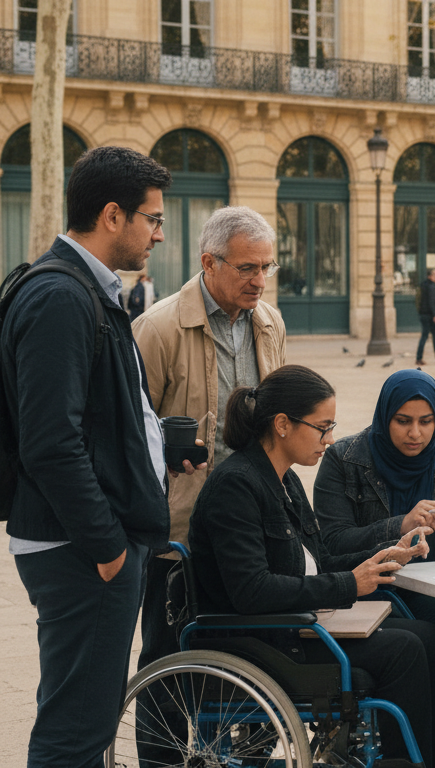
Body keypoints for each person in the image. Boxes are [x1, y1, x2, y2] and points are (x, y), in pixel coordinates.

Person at [188, 365, 435, 768]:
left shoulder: (285, 479)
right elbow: (253, 591)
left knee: (428, 637)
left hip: (296, 623)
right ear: (282, 424)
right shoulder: (237, 486)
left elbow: (319, 563)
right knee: (405, 649)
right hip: (264, 639)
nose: (330, 439)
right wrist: (350, 584)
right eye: (322, 427)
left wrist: (384, 556)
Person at [2, 145, 173, 767]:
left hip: (81, 543)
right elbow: (50, 442)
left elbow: (95, 417)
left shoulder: (82, 291)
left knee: (81, 719)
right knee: (77, 731)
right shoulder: (62, 297)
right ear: (111, 216)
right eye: (151, 219)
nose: (158, 233)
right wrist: (107, 549)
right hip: (80, 549)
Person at [132, 205, 288, 760]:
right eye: (248, 267)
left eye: (267, 266)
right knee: (168, 662)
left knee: (254, 660)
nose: (259, 280)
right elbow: (127, 434)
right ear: (209, 262)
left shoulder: (270, 323)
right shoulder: (157, 328)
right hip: (180, 532)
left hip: (252, 527)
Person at [314, 368, 435, 697]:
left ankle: (434, 738)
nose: (415, 433)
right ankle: (410, 735)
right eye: (403, 421)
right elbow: (332, 545)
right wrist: (401, 525)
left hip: (434, 589)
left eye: (426, 421)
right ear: (385, 417)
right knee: (417, 642)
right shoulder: (345, 460)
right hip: (368, 586)